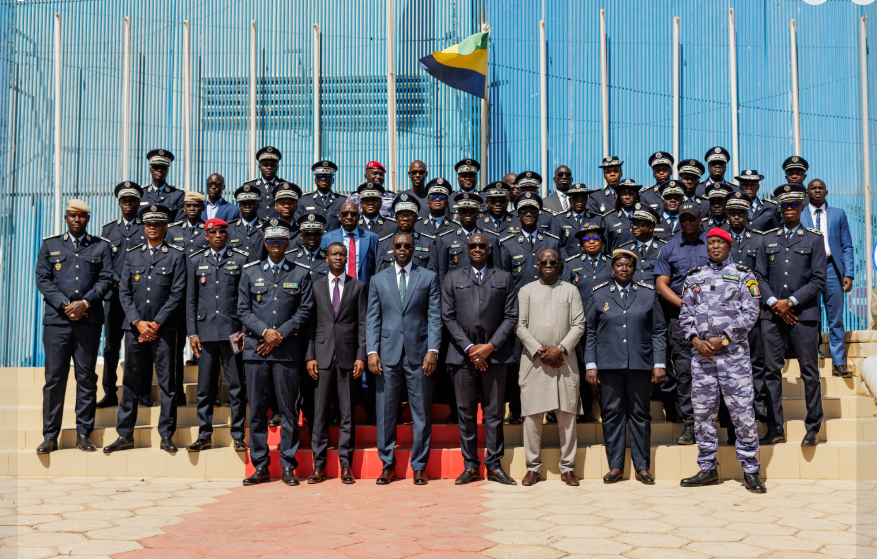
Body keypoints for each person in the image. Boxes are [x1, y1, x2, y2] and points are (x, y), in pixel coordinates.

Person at [680, 228, 764, 493]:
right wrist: (695, 340)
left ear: (729, 245)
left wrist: (725, 339)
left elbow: (752, 311)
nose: (715, 247)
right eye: (711, 242)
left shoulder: (743, 275)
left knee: (742, 414)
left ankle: (750, 470)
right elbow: (685, 313)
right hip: (702, 357)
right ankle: (707, 468)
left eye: (720, 243)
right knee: (703, 415)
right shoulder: (694, 278)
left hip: (733, 358)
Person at [104, 204, 187, 454]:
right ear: (144, 228)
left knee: (167, 384)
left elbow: (177, 293)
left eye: (157, 224)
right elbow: (124, 293)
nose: (152, 228)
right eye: (148, 224)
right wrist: (138, 322)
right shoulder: (133, 255)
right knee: (130, 382)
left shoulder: (176, 255)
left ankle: (166, 435)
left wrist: (157, 323)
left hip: (165, 330)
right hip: (135, 331)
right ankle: (125, 434)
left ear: (164, 227)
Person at [238, 219, 314, 486]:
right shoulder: (249, 273)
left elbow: (304, 311)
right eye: (272, 241)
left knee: (289, 411)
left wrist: (278, 335)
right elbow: (243, 311)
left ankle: (287, 465)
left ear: (288, 243)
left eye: (281, 241)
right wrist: (264, 333)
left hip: (286, 353)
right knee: (258, 411)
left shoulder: (301, 273)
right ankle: (260, 465)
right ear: (265, 243)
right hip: (256, 352)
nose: (276, 246)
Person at [35, 199, 113, 453]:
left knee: (86, 378)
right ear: (65, 218)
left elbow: (106, 279)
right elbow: (43, 279)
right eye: (72, 216)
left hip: (88, 322)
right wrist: (66, 304)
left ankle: (83, 433)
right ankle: (50, 436)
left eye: (82, 216)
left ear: (88, 219)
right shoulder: (51, 245)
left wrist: (86, 303)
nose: (77, 220)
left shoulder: (101, 247)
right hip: (57, 322)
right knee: (55, 379)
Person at [441, 233, 518, 485]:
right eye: (472, 245)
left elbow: (510, 316)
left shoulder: (504, 278)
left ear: (489, 249)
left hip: (496, 356)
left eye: (481, 246)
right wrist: (472, 348)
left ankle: (494, 466)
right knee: (465, 413)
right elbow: (448, 318)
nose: (477, 249)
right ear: (466, 249)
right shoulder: (453, 278)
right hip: (463, 357)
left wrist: (490, 346)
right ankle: (470, 465)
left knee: (494, 413)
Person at [366, 232, 442, 485]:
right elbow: (373, 318)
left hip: (419, 354)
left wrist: (433, 350)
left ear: (414, 249)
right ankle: (387, 465)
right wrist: (371, 351)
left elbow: (434, 316)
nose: (402, 249)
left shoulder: (428, 277)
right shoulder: (378, 280)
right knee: (385, 412)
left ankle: (419, 466)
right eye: (397, 245)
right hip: (386, 355)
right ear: (392, 249)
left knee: (421, 413)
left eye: (406, 245)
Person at [585, 249, 666, 484]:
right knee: (612, 415)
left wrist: (659, 362)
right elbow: (590, 330)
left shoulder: (647, 294)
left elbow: (659, 330)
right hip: (608, 364)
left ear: (634, 269)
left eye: (628, 265)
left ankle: (642, 467)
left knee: (640, 414)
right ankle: (616, 467)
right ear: (612, 268)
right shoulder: (600, 294)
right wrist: (591, 364)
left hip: (640, 364)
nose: (624, 269)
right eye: (619, 265)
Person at [756, 184, 826, 447]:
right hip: (772, 316)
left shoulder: (814, 238)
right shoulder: (768, 238)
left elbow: (819, 279)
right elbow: (759, 276)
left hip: (804, 314)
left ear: (800, 207)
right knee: (771, 372)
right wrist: (775, 303)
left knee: (809, 371)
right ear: (780, 208)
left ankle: (813, 427)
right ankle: (775, 428)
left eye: (794, 205)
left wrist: (791, 302)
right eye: (785, 205)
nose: (789, 210)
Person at [516, 249, 585, 487]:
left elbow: (579, 324)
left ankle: (568, 468)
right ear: (537, 265)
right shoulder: (526, 291)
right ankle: (532, 467)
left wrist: (560, 349)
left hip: (564, 360)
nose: (548, 265)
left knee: (567, 416)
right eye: (544, 262)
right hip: (534, 361)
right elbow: (520, 326)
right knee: (532, 417)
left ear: (560, 265)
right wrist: (540, 351)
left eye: (552, 262)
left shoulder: (571, 290)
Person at [304, 242, 367, 485]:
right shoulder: (316, 286)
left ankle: (345, 465)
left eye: (342, 254)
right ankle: (318, 465)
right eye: (334, 254)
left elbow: (362, 324)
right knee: (319, 414)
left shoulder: (358, 286)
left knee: (347, 414)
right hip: (321, 357)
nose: (339, 257)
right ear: (327, 258)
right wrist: (310, 355)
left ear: (347, 258)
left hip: (348, 358)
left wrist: (361, 355)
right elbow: (310, 324)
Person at [184, 218, 248, 453]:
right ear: (207, 236)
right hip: (206, 333)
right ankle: (204, 434)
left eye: (222, 232)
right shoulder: (195, 261)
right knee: (205, 387)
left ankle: (238, 434)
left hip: (233, 334)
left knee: (236, 386)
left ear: (227, 234)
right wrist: (192, 333)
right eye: (214, 233)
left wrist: (243, 330)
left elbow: (244, 299)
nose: (218, 236)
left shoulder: (240, 259)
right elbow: (190, 301)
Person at [498, 192, 561, 425]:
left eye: (532, 211)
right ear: (517, 214)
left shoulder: (552, 241)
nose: (527, 215)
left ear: (539, 214)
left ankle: (553, 408)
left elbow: (559, 275)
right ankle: (517, 408)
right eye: (523, 211)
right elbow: (503, 282)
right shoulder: (506, 243)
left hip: (550, 308)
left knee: (551, 358)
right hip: (519, 312)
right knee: (518, 361)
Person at [654, 201, 710, 444]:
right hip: (681, 319)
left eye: (692, 218)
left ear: (700, 218)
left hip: (713, 319)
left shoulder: (715, 243)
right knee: (686, 372)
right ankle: (691, 424)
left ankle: (712, 422)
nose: (687, 222)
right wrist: (686, 307)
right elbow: (661, 284)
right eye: (683, 218)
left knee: (713, 371)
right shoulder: (669, 247)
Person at [98, 182, 148, 409]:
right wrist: (117, 283)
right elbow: (103, 264)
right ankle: (109, 391)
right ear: (119, 203)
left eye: (132, 200)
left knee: (140, 346)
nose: (128, 204)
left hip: (138, 301)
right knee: (111, 346)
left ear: (138, 202)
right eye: (124, 200)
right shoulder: (108, 230)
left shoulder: (146, 227)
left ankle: (142, 392)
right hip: (114, 298)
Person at [722, 191, 768, 421]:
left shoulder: (759, 239)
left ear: (747, 214)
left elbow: (760, 274)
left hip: (751, 310)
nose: (737, 217)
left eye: (741, 213)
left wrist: (756, 302)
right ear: (727, 215)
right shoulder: (719, 240)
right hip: (724, 311)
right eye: (732, 213)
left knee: (756, 359)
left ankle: (757, 402)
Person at [802, 179, 855, 378]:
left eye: (820, 188)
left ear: (826, 191)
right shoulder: (800, 213)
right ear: (807, 192)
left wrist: (848, 273)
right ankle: (811, 361)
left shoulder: (838, 214)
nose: (817, 190)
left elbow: (847, 245)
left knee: (835, 319)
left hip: (833, 268)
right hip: (809, 272)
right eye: (813, 188)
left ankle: (838, 363)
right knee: (810, 317)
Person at [168, 190, 208, 387]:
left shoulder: (209, 231)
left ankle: (209, 393)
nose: (192, 209)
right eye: (189, 205)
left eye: (196, 205)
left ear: (203, 208)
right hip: (177, 294)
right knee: (176, 345)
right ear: (183, 208)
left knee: (205, 347)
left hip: (202, 294)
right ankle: (176, 391)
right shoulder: (172, 231)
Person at [322, 199, 379, 287]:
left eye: (353, 214)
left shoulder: (372, 238)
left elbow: (377, 268)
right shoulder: (327, 238)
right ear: (339, 217)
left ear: (359, 217)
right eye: (345, 214)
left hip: (364, 291)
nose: (349, 217)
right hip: (337, 288)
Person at [376, 194, 437, 273]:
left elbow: (432, 274)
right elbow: (380, 275)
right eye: (401, 215)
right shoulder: (384, 244)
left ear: (416, 218)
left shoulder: (428, 242)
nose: (405, 219)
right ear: (396, 218)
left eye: (409, 215)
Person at [437, 192, 486, 286]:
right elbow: (442, 273)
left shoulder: (487, 237)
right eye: (463, 211)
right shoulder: (446, 238)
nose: (468, 214)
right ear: (458, 213)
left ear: (478, 213)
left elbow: (494, 270)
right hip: (455, 290)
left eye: (472, 211)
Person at [550, 183, 605, 258]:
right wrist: (566, 262)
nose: (580, 202)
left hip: (591, 263)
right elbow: (556, 245)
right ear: (570, 200)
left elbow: (603, 244)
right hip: (567, 264)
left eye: (583, 198)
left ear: (587, 200)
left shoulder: (597, 219)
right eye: (576, 199)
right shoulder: (559, 219)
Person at [616, 203, 664, 285]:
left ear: (651, 228)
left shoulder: (663, 248)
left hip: (655, 296)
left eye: (639, 224)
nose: (634, 227)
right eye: (634, 224)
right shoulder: (625, 249)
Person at [297, 160, 346, 231]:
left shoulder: (342, 201)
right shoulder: (304, 201)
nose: (323, 179)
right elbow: (298, 225)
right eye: (319, 176)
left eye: (328, 176)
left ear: (333, 180)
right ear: (315, 180)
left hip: (335, 241)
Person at [241, 146, 286, 219]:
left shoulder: (284, 186)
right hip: (256, 229)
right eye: (265, 164)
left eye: (272, 165)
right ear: (259, 167)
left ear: (277, 167)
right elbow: (243, 210)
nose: (269, 167)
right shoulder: (250, 187)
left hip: (278, 228)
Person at [141, 149, 184, 222]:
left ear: (167, 170)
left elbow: (179, 223)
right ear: (150, 169)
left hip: (169, 233)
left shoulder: (178, 195)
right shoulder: (141, 194)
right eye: (155, 166)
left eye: (163, 167)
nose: (159, 170)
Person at [227, 185, 266, 263]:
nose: (247, 206)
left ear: (257, 205)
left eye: (251, 203)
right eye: (243, 203)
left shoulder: (265, 227)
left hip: (259, 273)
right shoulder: (229, 228)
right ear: (239, 207)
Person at [604, 179, 642, 250]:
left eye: (631, 193)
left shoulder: (644, 216)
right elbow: (606, 248)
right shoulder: (609, 219)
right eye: (624, 194)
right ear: (619, 197)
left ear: (636, 196)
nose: (627, 197)